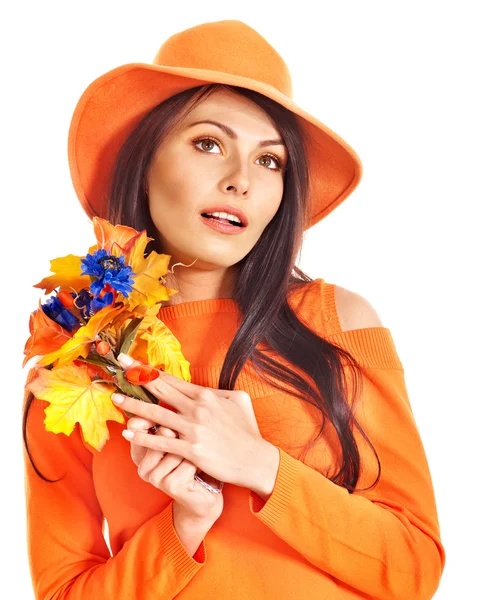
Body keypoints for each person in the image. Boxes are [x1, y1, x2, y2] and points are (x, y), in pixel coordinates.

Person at [22, 19, 446, 600]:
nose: (241, 180)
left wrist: (263, 466)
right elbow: (62, 590)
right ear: (144, 164)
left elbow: (414, 569)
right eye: (208, 143)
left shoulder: (338, 321)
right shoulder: (75, 360)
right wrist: (180, 530)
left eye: (269, 161)